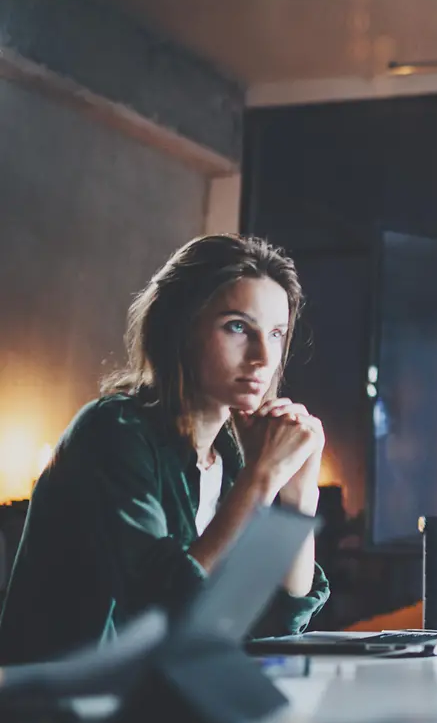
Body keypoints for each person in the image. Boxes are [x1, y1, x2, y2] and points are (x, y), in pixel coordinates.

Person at [0, 234, 330, 665]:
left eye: (276, 333)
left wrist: (299, 495)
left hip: (161, 702)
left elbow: (275, 624)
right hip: (61, 711)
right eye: (237, 327)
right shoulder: (113, 431)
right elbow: (159, 612)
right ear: (180, 326)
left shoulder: (230, 458)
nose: (263, 357)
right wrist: (260, 479)